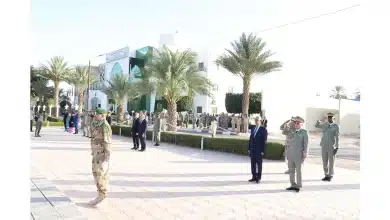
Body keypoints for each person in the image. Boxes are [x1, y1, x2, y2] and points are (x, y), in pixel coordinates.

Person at [89, 108, 112, 206]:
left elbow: (107, 142)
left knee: (100, 175)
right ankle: (99, 193)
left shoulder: (105, 126)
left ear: (102, 116)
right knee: (95, 174)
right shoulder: (97, 124)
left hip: (101, 155)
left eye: (97, 114)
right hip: (96, 154)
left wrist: (106, 158)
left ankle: (102, 194)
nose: (95, 115)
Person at [283, 116, 309, 192]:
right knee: (291, 170)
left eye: (298, 123)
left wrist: (305, 152)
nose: (296, 124)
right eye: (295, 123)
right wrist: (287, 123)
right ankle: (292, 184)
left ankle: (298, 186)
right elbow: (284, 131)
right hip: (290, 154)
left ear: (301, 124)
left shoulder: (304, 132)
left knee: (298, 171)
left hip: (299, 155)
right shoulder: (291, 131)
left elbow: (306, 143)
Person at [315, 112, 340, 181]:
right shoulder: (325, 124)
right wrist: (319, 121)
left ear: (333, 118)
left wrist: (337, 147)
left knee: (331, 162)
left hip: (331, 146)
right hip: (323, 145)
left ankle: (330, 175)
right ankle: (326, 174)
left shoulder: (336, 126)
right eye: (328, 117)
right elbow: (316, 126)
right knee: (324, 161)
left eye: (331, 117)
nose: (329, 118)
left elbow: (337, 137)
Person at [248, 116, 267, 184]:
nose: (256, 121)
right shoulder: (253, 128)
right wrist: (249, 148)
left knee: (259, 164)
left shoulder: (263, 129)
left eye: (258, 120)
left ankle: (258, 178)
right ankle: (254, 176)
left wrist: (262, 151)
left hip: (259, 150)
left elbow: (264, 141)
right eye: (255, 120)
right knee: (252, 164)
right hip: (252, 149)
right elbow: (250, 139)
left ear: (260, 121)